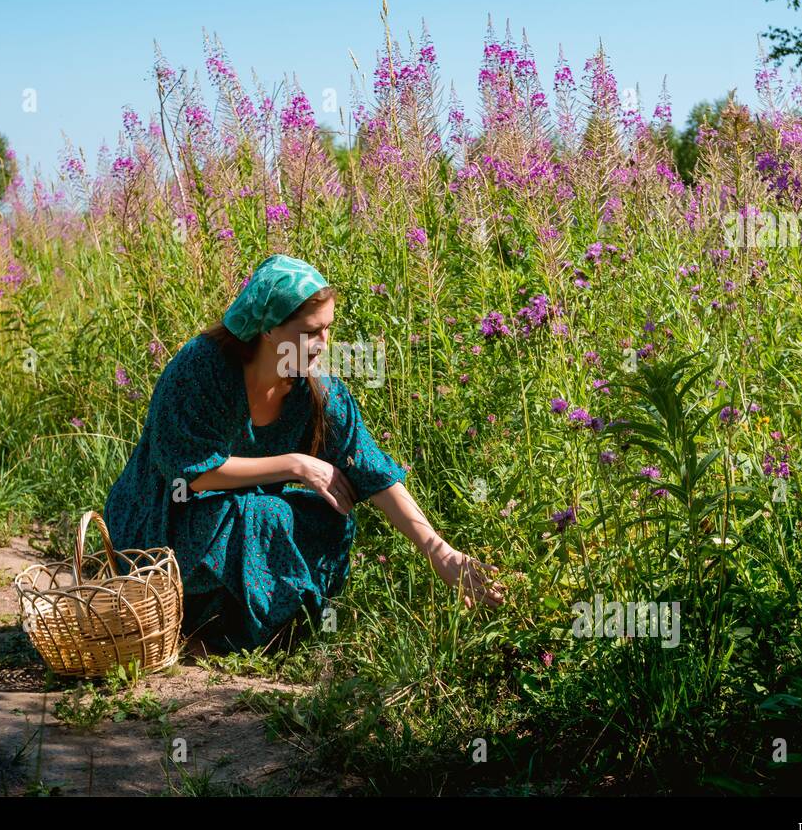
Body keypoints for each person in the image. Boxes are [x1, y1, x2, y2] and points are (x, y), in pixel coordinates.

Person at [102, 253, 505, 655]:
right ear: (270, 330)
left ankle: (259, 634)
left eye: (328, 328)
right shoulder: (201, 368)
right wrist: (296, 463)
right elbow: (189, 472)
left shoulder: (314, 390)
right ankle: (196, 627)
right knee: (265, 516)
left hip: (233, 517)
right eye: (312, 331)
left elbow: (372, 470)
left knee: (329, 514)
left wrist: (439, 551)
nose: (324, 344)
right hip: (162, 524)